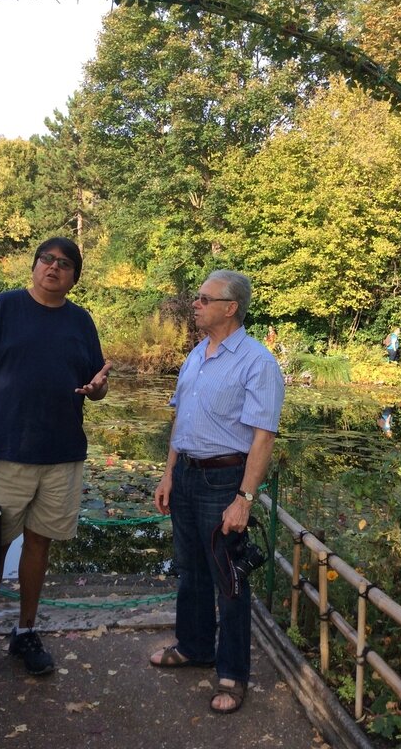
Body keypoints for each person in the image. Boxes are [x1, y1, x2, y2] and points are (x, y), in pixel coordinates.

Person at [0, 237, 111, 692]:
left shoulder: (81, 322)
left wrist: (98, 390)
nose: (53, 268)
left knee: (39, 546)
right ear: (35, 266)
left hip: (61, 456)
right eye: (47, 260)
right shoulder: (3, 308)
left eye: (64, 264)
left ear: (74, 276)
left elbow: (94, 382)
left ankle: (24, 631)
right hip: (5, 454)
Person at [150, 270, 284, 715]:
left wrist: (244, 498)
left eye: (205, 298)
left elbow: (263, 437)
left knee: (230, 580)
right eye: (197, 297)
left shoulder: (257, 362)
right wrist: (169, 474)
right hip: (186, 476)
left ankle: (232, 672)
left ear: (231, 308)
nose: (196, 303)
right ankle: (194, 647)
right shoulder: (196, 356)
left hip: (225, 481)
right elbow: (180, 420)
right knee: (191, 569)